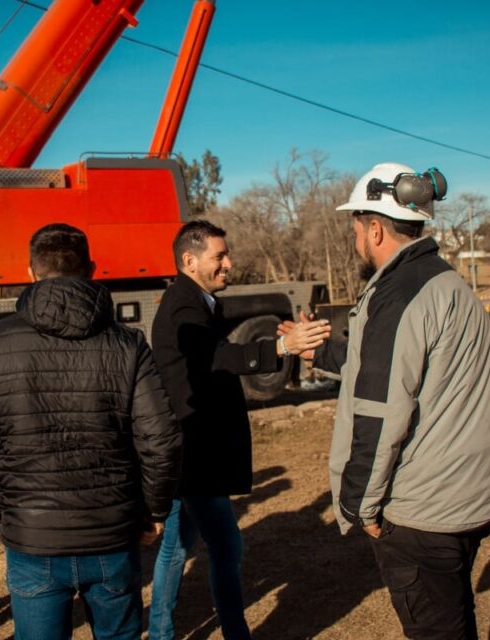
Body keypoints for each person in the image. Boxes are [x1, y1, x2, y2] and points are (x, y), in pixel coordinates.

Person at [304, 162, 490, 639]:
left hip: (425, 511)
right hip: (471, 495)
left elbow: (380, 410)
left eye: (357, 227)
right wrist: (318, 349)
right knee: (454, 616)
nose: (356, 238)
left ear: (375, 228)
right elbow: (393, 370)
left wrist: (360, 506)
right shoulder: (445, 282)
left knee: (436, 629)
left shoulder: (397, 296)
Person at [0, 223, 181, 640]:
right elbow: (160, 440)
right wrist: (152, 511)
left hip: (34, 539)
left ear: (30, 271)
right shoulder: (127, 344)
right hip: (109, 532)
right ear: (91, 268)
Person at [147, 220, 331, 640]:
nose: (229, 263)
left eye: (227, 255)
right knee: (228, 547)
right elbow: (216, 357)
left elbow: (218, 357)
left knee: (175, 551)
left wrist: (284, 341)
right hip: (194, 456)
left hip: (192, 455)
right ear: (189, 261)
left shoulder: (198, 299)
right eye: (219, 256)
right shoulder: (182, 306)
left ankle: (160, 634)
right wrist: (282, 347)